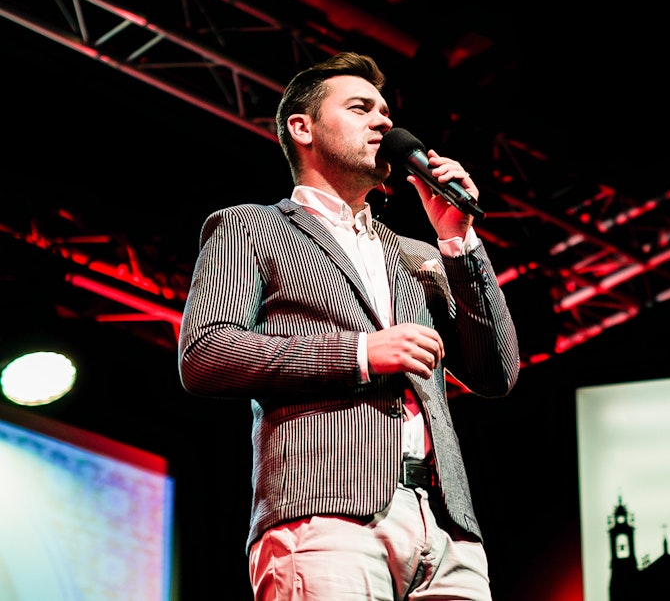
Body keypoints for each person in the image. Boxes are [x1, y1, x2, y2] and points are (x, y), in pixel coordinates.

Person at [177, 51, 521, 600]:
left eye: (386, 111)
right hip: (324, 514)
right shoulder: (252, 226)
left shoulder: (413, 253)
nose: (384, 122)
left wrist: (458, 242)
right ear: (302, 127)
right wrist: (360, 352)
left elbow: (494, 372)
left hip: (446, 528)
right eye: (361, 107)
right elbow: (205, 354)